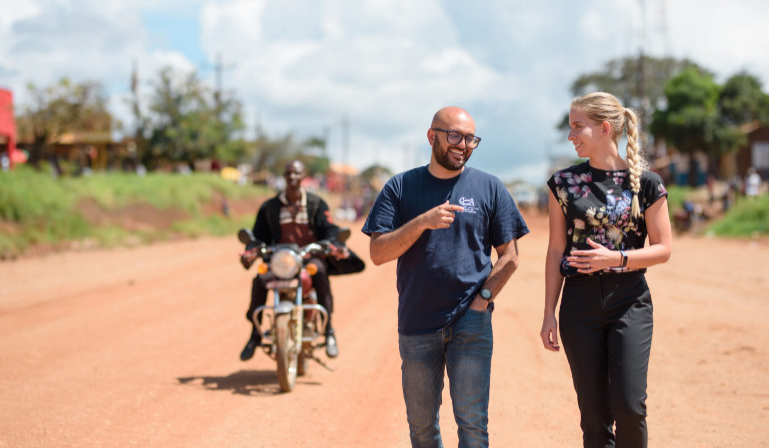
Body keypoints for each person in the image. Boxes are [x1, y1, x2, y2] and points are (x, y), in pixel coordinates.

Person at [362, 106, 529, 447]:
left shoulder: (490, 187)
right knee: (422, 429)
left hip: (471, 322)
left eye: (470, 138)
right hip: (417, 322)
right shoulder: (401, 187)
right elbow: (378, 253)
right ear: (431, 136)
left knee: (472, 426)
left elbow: (510, 257)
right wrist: (421, 222)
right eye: (454, 135)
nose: (463, 144)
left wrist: (483, 300)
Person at [540, 92, 672, 447]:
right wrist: (549, 313)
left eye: (577, 127)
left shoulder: (646, 183)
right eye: (570, 128)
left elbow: (664, 249)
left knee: (630, 407)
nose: (571, 136)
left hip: (629, 301)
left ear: (603, 128)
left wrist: (617, 259)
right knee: (594, 417)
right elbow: (555, 250)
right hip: (578, 303)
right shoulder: (563, 184)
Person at [240, 159, 364, 361]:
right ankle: (254, 333)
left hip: (309, 259)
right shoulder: (270, 207)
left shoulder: (316, 203)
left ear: (303, 176)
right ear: (284, 176)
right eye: (288, 173)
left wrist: (335, 245)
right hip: (280, 261)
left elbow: (330, 230)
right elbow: (257, 236)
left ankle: (329, 330)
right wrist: (250, 251)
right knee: (260, 280)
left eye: (296, 173)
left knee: (320, 273)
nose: (292, 177)